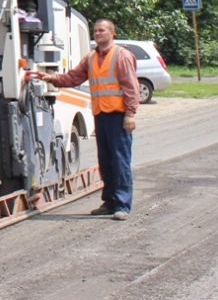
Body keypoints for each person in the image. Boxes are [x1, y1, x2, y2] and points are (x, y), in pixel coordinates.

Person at [27, 19, 139, 220]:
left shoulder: (121, 56)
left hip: (118, 116)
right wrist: (49, 78)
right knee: (105, 161)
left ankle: (123, 204)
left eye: (102, 30)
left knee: (120, 160)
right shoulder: (90, 59)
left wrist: (130, 114)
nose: (97, 34)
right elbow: (73, 78)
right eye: (95, 31)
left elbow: (131, 87)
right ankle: (110, 201)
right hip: (101, 115)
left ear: (112, 33)